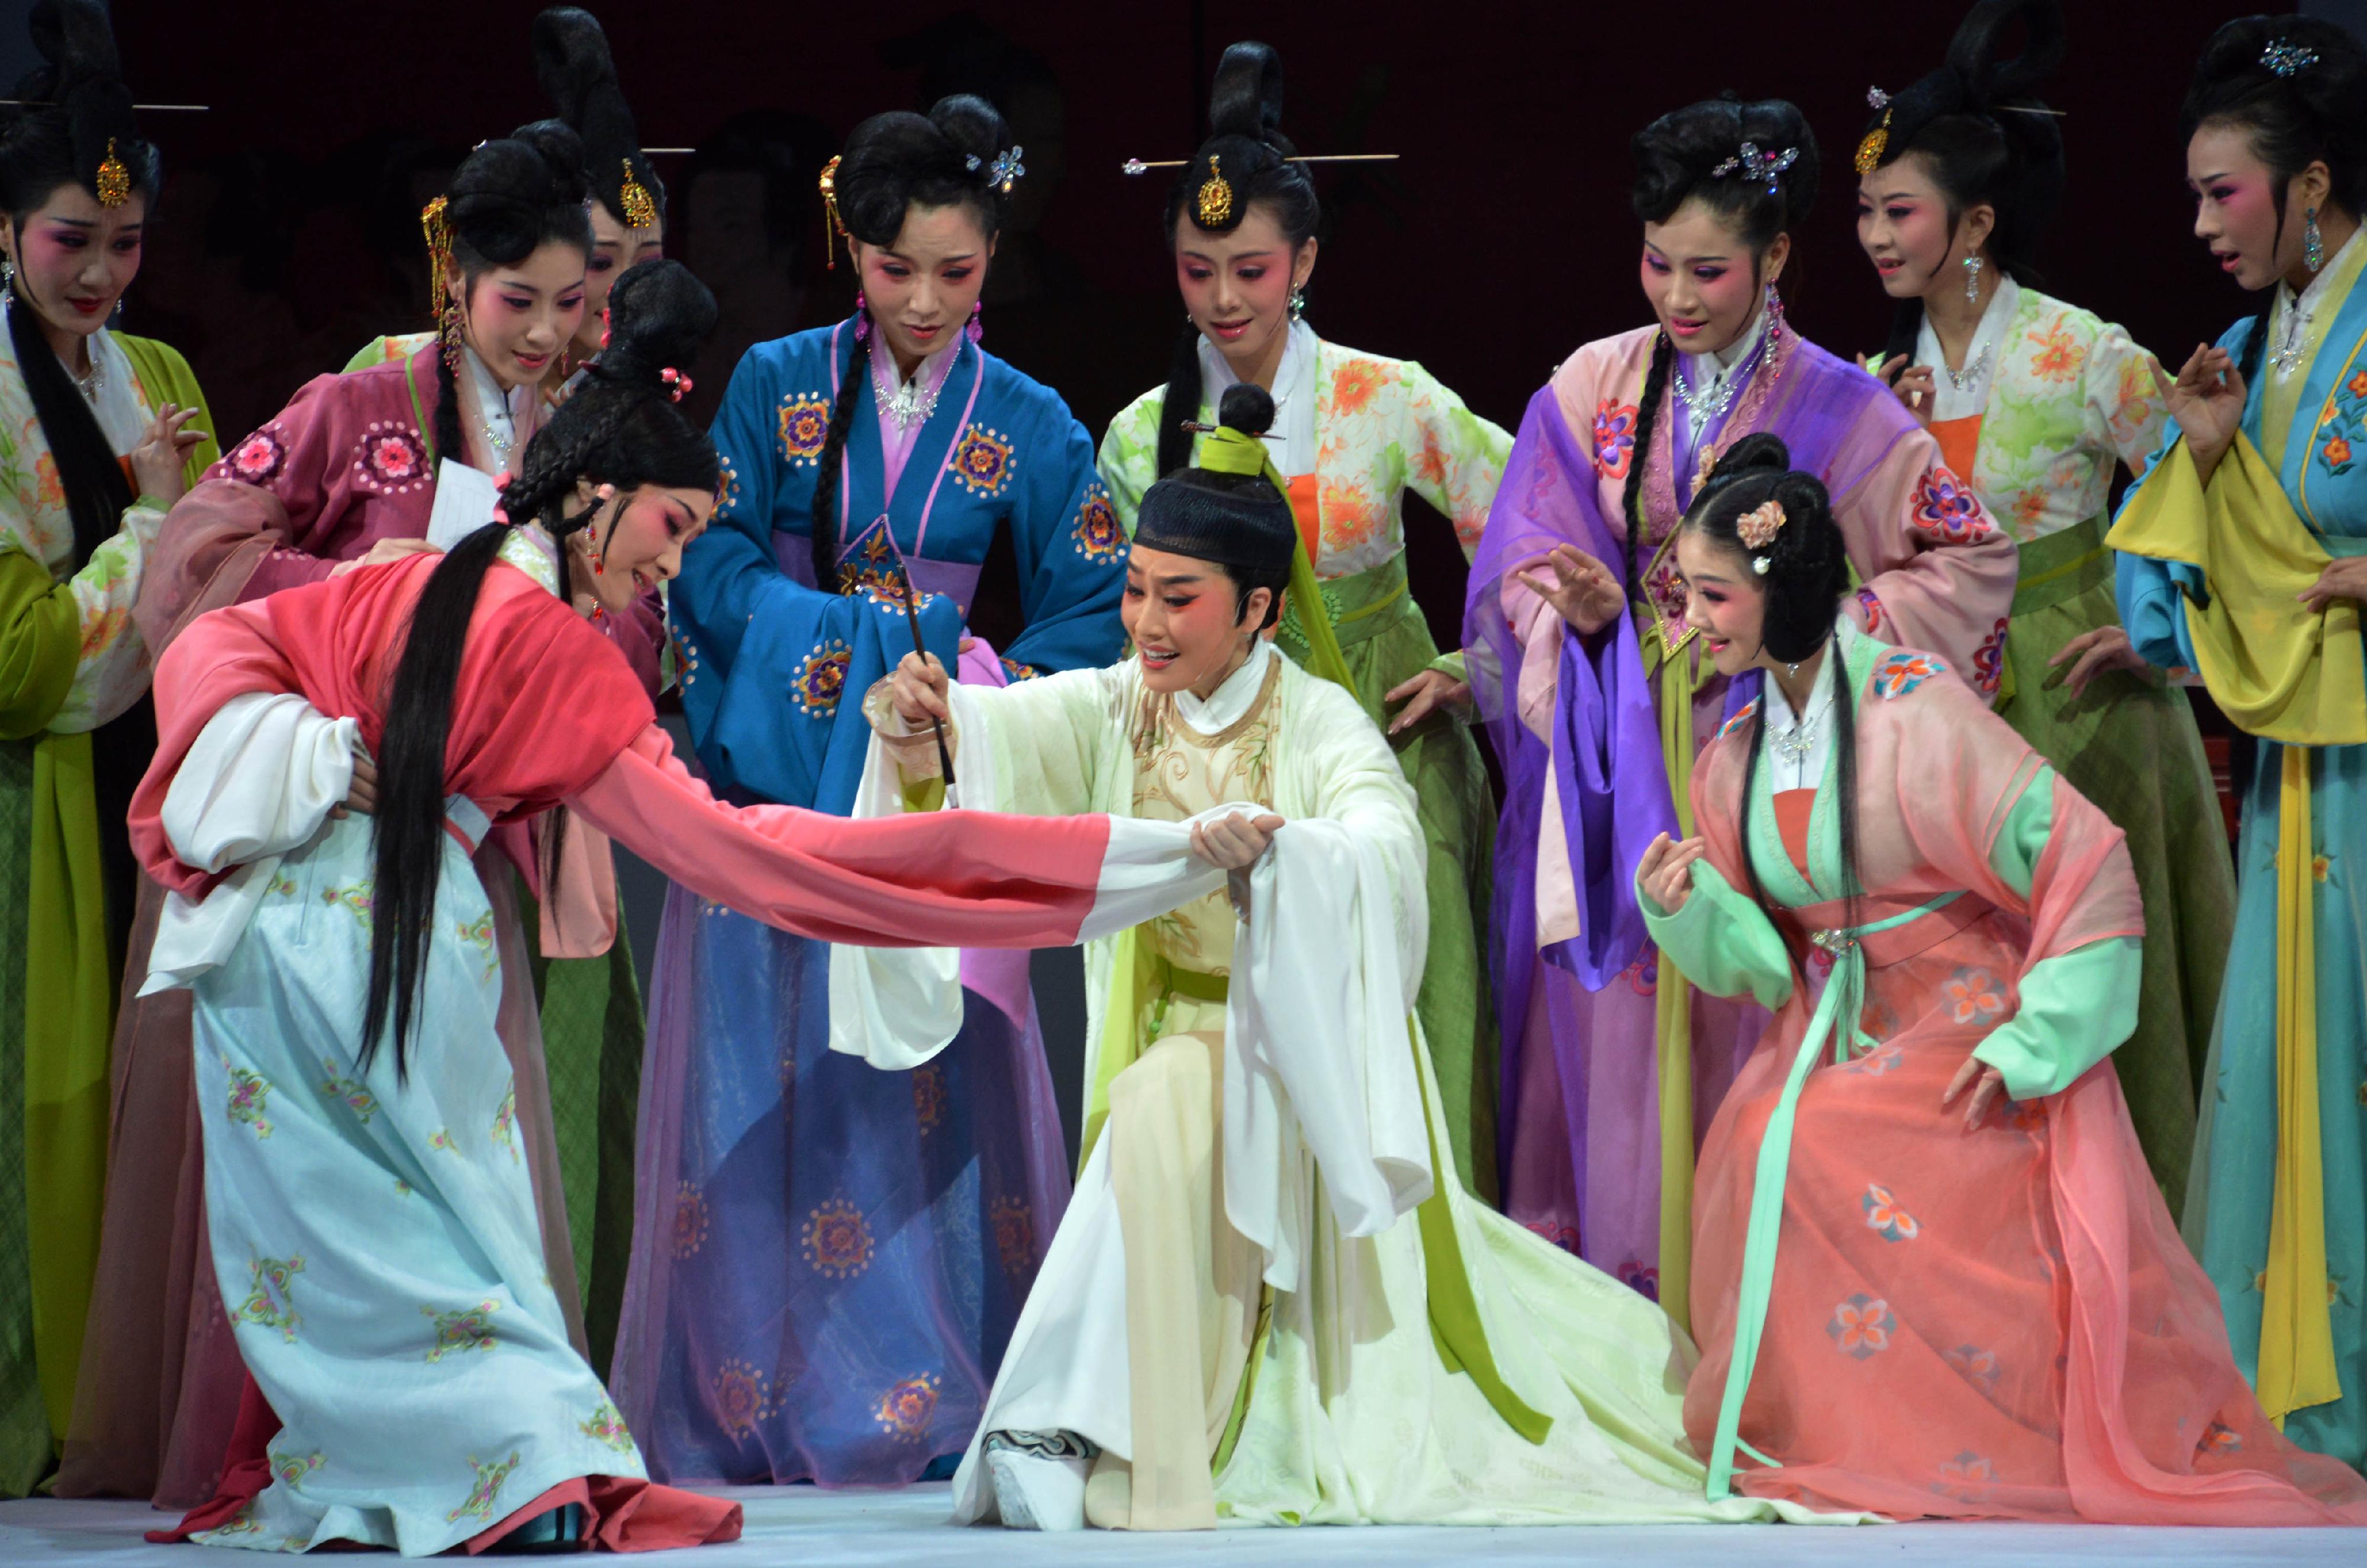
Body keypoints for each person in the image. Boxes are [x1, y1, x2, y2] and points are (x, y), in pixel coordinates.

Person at [131, 260, 1225, 1556]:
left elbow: (215, 642)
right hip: (355, 936)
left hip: (289, 944)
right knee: (431, 1234)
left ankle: (458, 1472)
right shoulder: (539, 641)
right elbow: (752, 859)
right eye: (672, 526)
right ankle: (516, 1473)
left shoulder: (435, 572)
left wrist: (282, 743)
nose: (675, 564)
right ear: (594, 496)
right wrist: (1088, 865)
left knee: (379, 1234)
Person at [844, 388, 1839, 1533]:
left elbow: (1385, 848)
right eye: (1135, 593)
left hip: (1293, 1057)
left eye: (1180, 599)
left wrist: (1282, 860)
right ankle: (1080, 1424)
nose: (1146, 624)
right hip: (1177, 1028)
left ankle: (1076, 1429)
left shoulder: (1316, 722)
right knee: (1160, 1100)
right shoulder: (1125, 706)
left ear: (1261, 606)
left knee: (1161, 1103)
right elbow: (1014, 730)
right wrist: (927, 724)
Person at [1638, 432, 2367, 1522]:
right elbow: (1765, 963)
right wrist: (1686, 907)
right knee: (1758, 1137)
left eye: (1709, 595)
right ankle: (1839, 1424)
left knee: (1826, 1135)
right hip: (1832, 1021)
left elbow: (2086, 855)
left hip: (1962, 1012)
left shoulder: (1915, 711)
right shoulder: (1732, 753)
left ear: (1779, 591)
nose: (1689, 622)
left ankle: (1961, 1434)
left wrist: (2032, 1040)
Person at [64, 124, 629, 1508]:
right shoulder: (355, 406)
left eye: (575, 303)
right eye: (520, 301)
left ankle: (484, 1446)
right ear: (456, 281)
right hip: (319, 839)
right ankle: (305, 1435)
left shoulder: (585, 440)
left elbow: (629, 610)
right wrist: (367, 588)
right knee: (317, 1170)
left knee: (456, 1149)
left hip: (464, 834)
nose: (548, 334)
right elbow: (196, 551)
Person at [618, 92, 1126, 1488]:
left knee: (905, 1100)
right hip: (786, 788)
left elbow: (1092, 611)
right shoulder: (772, 381)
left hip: (923, 787)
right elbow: (705, 566)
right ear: (851, 249)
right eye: (893, 268)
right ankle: (746, 1395)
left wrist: (966, 693)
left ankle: (913, 1394)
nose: (920, 301)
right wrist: (858, 658)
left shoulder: (1029, 421)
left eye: (955, 274)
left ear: (993, 261)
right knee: (762, 1094)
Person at [1463, 95, 2018, 1327]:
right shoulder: (1590, 382)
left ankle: (1751, 1324)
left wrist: (1801, 632)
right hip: (1613, 767)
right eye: (1655, 261)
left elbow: (1971, 565)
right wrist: (1586, 618)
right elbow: (1517, 554)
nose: (1675, 291)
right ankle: (1606, 1324)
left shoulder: (1848, 411)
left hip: (1763, 762)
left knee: (1743, 1015)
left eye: (1707, 267)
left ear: (1773, 258)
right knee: (1608, 1038)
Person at [1098, 41, 1508, 1199]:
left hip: (1385, 737)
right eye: (1195, 270)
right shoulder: (1139, 434)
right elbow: (1123, 626)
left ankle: (1421, 1283)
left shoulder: (1389, 397)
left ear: (1305, 260)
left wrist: (1474, 662)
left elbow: (1530, 524)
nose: (1223, 299)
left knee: (1411, 1002)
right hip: (1209, 759)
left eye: (1250, 267)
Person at [1853, 0, 2231, 1211]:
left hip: (2080, 707)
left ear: (1972, 223)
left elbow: (2199, 482)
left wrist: (2169, 637)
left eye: (1895, 211)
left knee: (2101, 979)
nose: (1871, 234)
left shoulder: (2078, 352)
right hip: (1936, 721)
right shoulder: (1872, 381)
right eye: (1863, 211)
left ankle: (2146, 1236)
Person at [2109, 15, 2367, 1470]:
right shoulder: (2266, 344)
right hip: (2300, 764)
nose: (2204, 223)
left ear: (2309, 183)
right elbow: (2174, 592)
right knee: (2291, 1056)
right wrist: (2204, 456)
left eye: (2227, 192)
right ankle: (2304, 1393)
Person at [0, 0, 215, 1496]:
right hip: (23, 810)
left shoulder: (170, 379)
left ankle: (117, 1410)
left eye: (125, 248)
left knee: (145, 1111)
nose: (100, 272)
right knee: (33, 1118)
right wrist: (147, 521)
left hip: (153, 797)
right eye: (71, 237)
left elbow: (239, 591)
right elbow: (15, 666)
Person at [347, 6, 665, 404]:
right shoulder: (392, 372)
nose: (629, 291)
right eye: (600, 263)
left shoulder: (641, 399)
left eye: (648, 266)